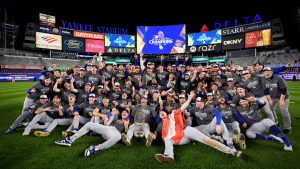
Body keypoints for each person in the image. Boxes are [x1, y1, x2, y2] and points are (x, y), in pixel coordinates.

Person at [155, 91, 241, 163]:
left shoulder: (173, 114)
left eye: (198, 101)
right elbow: (188, 115)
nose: (196, 103)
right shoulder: (192, 110)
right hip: (186, 135)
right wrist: (187, 115)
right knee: (167, 139)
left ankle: (231, 149)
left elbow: (218, 114)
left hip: (199, 128)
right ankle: (169, 156)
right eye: (195, 101)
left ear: (203, 102)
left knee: (207, 140)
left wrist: (189, 98)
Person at [55, 109, 131, 157]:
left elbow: (126, 134)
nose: (124, 113)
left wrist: (126, 126)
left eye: (126, 113)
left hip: (117, 133)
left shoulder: (129, 122)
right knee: (89, 124)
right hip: (109, 128)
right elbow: (113, 114)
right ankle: (70, 139)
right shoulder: (117, 119)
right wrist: (106, 119)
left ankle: (95, 148)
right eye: (123, 112)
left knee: (118, 137)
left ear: (128, 115)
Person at [262, 67, 292, 134]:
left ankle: (288, 128)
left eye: (268, 71)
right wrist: (270, 100)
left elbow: (284, 90)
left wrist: (281, 100)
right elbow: (266, 91)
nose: (266, 73)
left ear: (272, 72)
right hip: (273, 97)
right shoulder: (263, 80)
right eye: (265, 72)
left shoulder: (279, 78)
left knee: (284, 112)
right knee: (271, 110)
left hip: (283, 97)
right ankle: (276, 122)